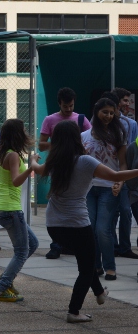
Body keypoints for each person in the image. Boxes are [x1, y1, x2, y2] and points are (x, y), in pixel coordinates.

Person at [31, 120, 138, 323]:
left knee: (86, 261)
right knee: (86, 268)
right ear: (77, 139)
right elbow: (115, 175)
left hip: (54, 226)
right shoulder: (85, 161)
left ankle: (99, 294)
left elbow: (37, 168)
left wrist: (34, 159)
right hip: (77, 225)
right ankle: (74, 311)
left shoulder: (54, 162)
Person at [40, 87, 91, 259]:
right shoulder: (50, 119)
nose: (68, 109)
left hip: (77, 164)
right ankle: (56, 244)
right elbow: (41, 144)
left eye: (71, 106)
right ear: (59, 104)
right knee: (57, 197)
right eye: (65, 106)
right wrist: (61, 145)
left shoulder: (81, 119)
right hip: (58, 165)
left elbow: (90, 140)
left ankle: (71, 241)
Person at [0, 119, 38, 302]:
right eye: (24, 130)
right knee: (21, 251)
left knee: (32, 243)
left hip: (1, 207)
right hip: (10, 208)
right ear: (18, 135)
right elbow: (17, 181)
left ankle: (6, 277)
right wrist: (31, 167)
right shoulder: (13, 156)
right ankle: (2, 288)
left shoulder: (1, 154)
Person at [81, 97, 126, 281]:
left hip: (110, 188)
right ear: (96, 112)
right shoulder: (84, 136)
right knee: (90, 227)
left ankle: (110, 267)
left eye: (111, 112)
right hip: (88, 188)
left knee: (102, 229)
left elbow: (123, 164)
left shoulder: (118, 135)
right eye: (104, 112)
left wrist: (120, 182)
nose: (108, 116)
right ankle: (96, 266)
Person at [108, 88, 138, 259]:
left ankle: (125, 247)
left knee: (126, 211)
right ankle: (113, 245)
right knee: (111, 213)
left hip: (125, 173)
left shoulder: (130, 124)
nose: (128, 104)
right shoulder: (103, 121)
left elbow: (132, 149)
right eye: (125, 100)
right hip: (109, 173)